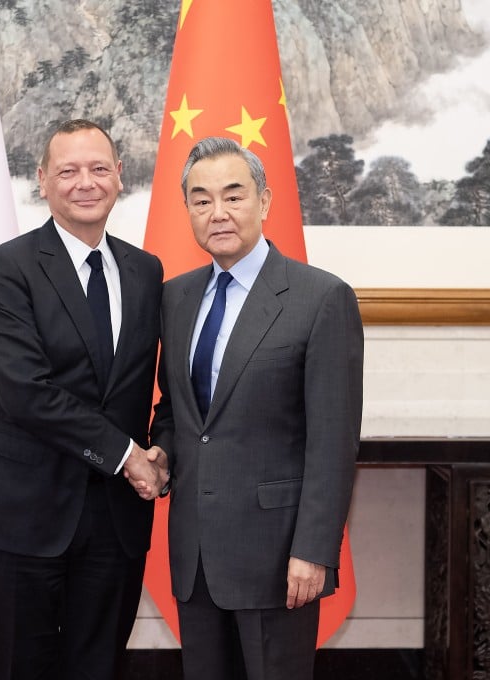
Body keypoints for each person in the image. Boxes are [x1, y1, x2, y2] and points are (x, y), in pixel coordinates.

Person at [142, 136, 363, 680]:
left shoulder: (321, 299)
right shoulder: (175, 297)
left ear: (264, 202)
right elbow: (179, 409)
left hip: (277, 557)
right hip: (195, 553)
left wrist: (314, 551)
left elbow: (333, 442)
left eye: (233, 196)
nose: (217, 213)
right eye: (201, 200)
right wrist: (162, 453)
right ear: (188, 210)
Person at [0, 119, 167, 679]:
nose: (85, 182)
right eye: (68, 170)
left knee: (98, 669)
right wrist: (129, 456)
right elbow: (26, 393)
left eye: (99, 168)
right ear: (42, 180)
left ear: (120, 177)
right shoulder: (7, 268)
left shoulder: (147, 273)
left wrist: (164, 451)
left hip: (115, 523)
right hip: (24, 514)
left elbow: (163, 384)